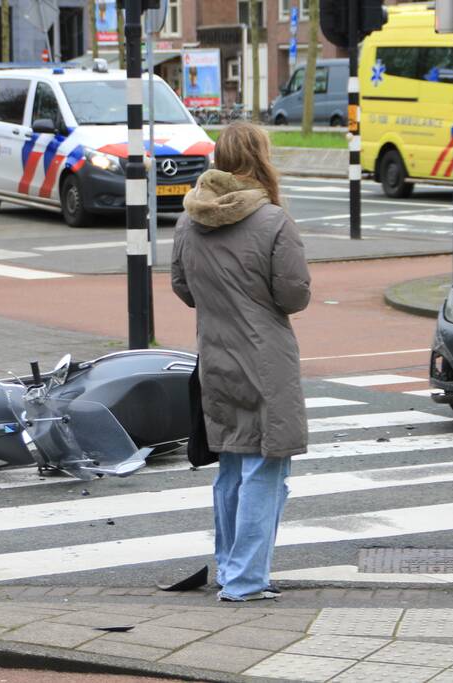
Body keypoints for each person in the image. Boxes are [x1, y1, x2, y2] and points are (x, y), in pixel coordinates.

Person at [171, 122, 311, 602]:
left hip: (215, 356)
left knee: (230, 466)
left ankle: (231, 569)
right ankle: (247, 580)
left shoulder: (189, 219)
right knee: (265, 469)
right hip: (266, 361)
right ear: (260, 158)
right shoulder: (273, 221)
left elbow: (183, 288)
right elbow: (293, 296)